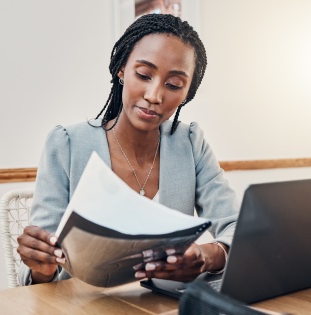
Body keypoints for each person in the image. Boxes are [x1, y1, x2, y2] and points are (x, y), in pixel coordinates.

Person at [17, 13, 239, 286]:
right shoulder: (67, 144)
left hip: (165, 305)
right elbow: (41, 273)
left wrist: (210, 255)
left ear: (187, 92)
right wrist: (41, 266)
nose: (154, 96)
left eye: (173, 85)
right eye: (144, 75)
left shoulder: (190, 144)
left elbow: (237, 227)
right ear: (121, 69)